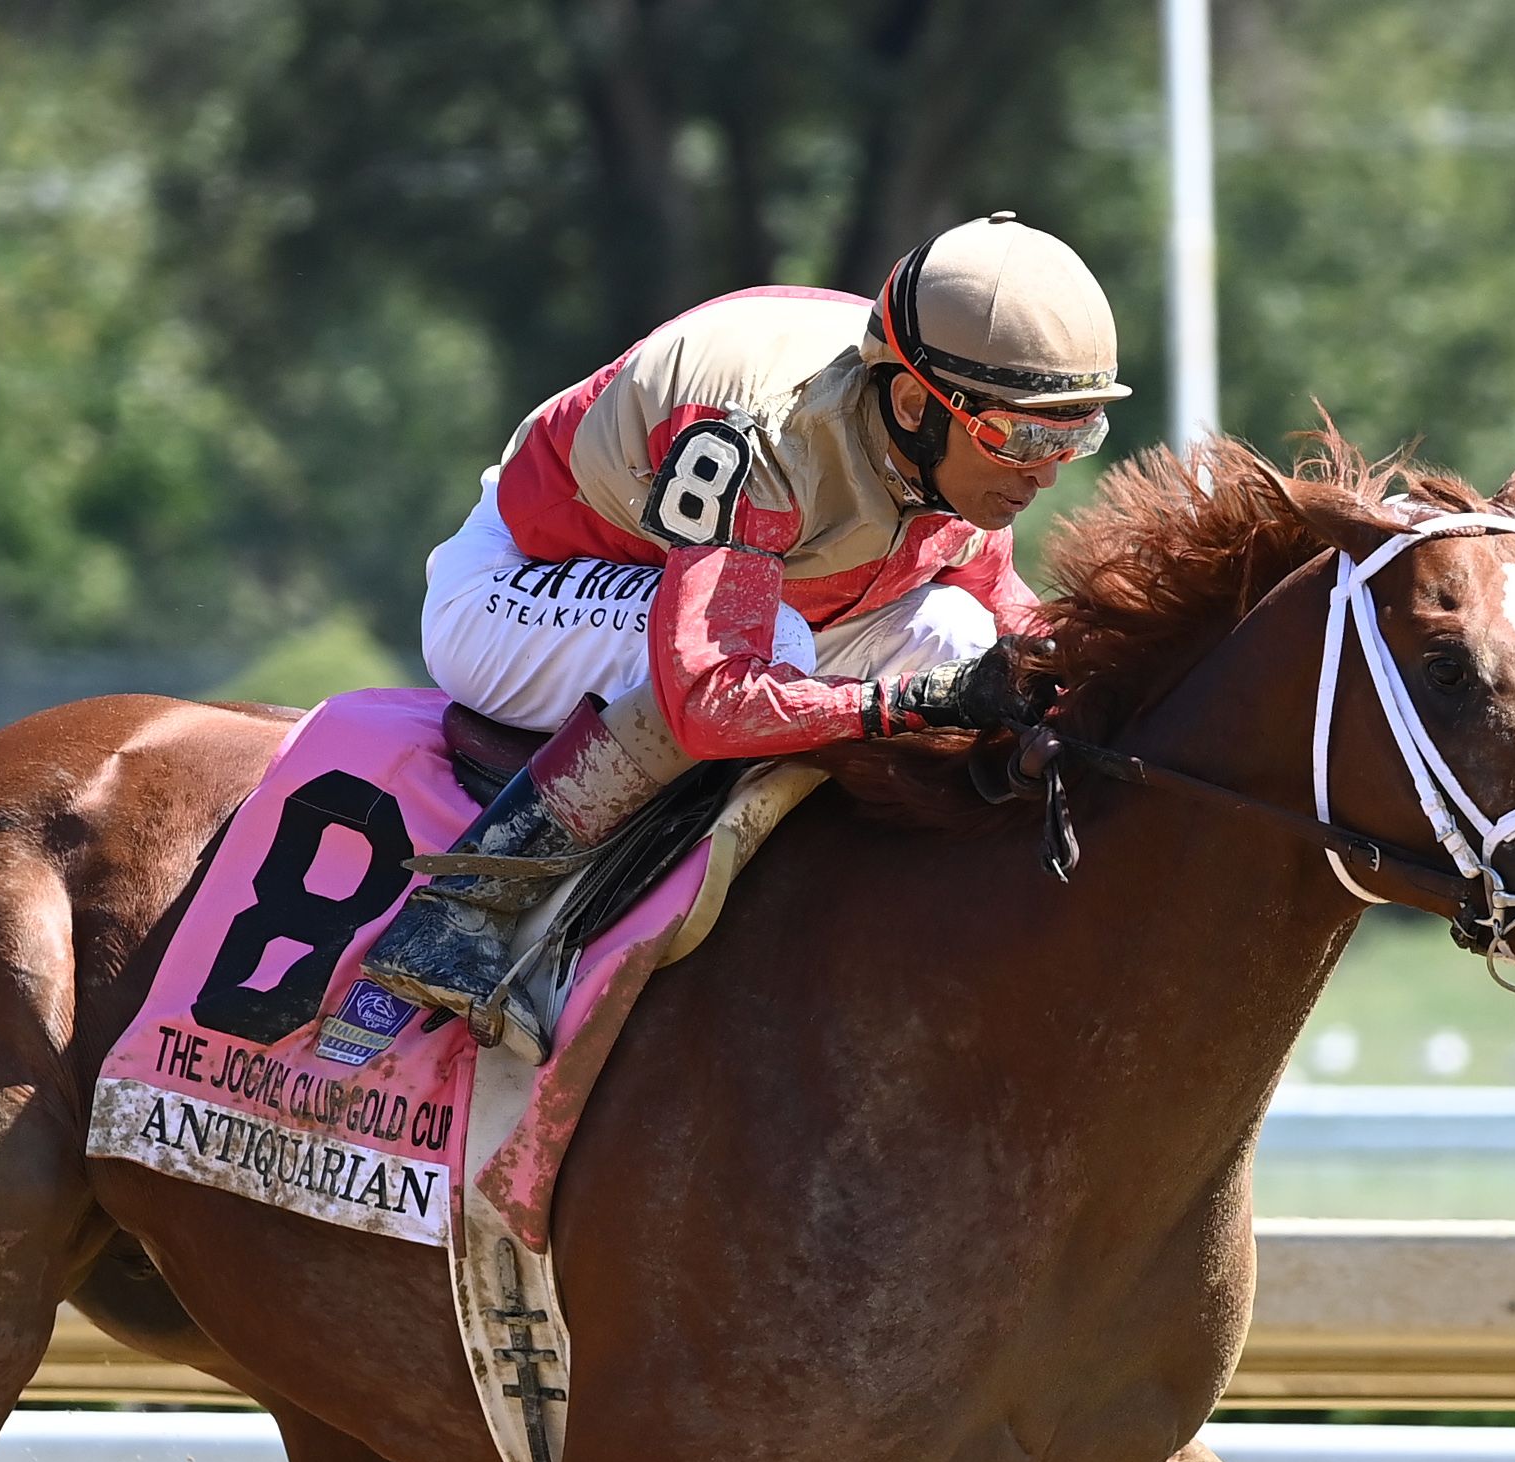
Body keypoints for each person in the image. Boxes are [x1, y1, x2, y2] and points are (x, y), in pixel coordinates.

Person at [358, 211, 1132, 1055]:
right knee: (781, 650)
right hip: (509, 591)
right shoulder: (761, 436)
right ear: (914, 403)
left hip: (717, 592)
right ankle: (459, 907)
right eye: (1022, 435)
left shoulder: (949, 450)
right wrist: (917, 702)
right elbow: (710, 700)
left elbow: (1004, 622)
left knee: (959, 633)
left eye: (1075, 433)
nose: (1048, 472)